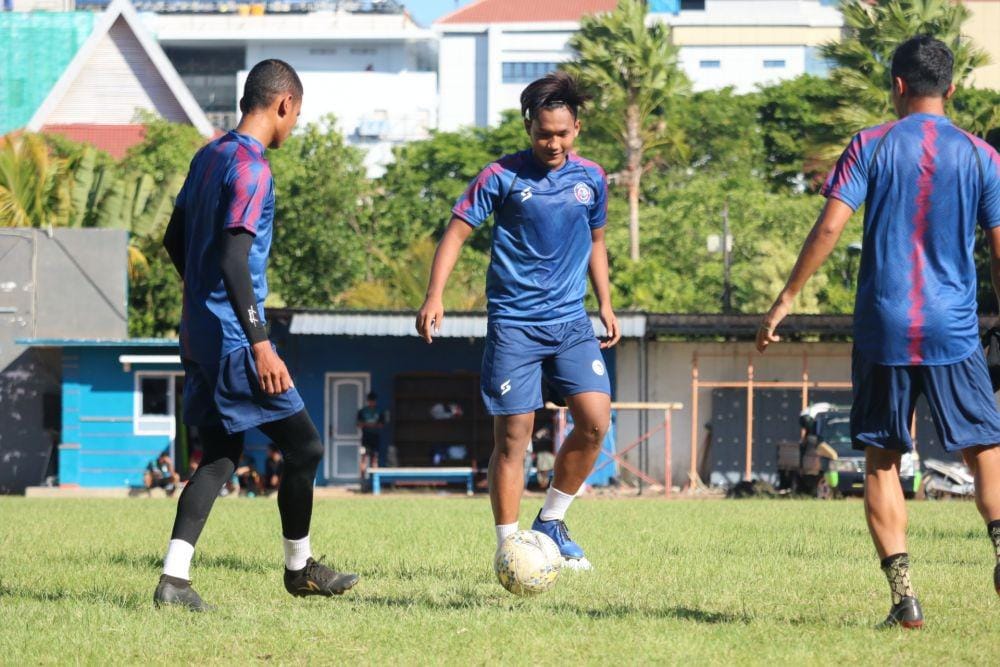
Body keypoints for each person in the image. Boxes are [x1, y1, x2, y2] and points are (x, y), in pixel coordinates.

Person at [756, 36, 1000, 628]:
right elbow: (998, 251)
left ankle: (905, 600)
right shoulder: (981, 156)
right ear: (952, 88)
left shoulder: (870, 143)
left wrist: (787, 296)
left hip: (885, 327)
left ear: (896, 86)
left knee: (884, 460)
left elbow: (830, 226)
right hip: (954, 328)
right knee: (984, 447)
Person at [155, 59, 359, 611]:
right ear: (284, 105)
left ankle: (174, 580)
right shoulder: (251, 168)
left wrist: (199, 299)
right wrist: (261, 342)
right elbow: (232, 258)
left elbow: (176, 240)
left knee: (220, 456)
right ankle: (299, 569)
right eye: (296, 115)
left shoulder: (208, 156)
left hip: (201, 334)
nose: (293, 126)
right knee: (307, 446)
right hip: (235, 341)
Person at [416, 71, 620, 570]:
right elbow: (458, 231)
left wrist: (606, 304)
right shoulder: (500, 176)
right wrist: (434, 295)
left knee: (594, 421)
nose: (552, 142)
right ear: (528, 126)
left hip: (571, 321)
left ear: (577, 128)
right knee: (515, 437)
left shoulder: (591, 178)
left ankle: (550, 521)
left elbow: (596, 242)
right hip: (514, 324)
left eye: (562, 133)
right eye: (543, 132)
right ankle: (509, 546)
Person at [356, 392, 383, 477]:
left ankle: (374, 481)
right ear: (368, 401)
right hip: (365, 439)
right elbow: (359, 424)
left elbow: (381, 425)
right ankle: (363, 482)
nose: (372, 402)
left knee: (374, 459)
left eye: (373, 400)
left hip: (375, 438)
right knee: (363, 459)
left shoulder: (379, 411)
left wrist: (367, 424)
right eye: (370, 400)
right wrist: (372, 425)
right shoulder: (362, 411)